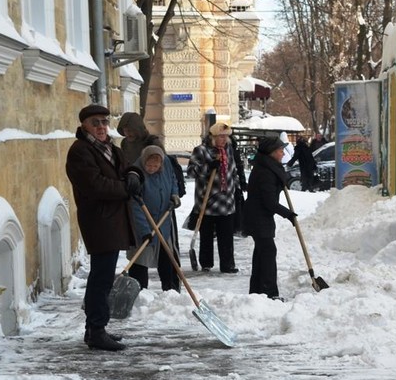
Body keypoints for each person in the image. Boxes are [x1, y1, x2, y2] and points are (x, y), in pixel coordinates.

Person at [65, 104, 140, 351]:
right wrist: (124, 188)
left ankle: (94, 329)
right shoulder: (80, 151)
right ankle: (96, 330)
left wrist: (133, 176)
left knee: (104, 277)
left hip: (114, 220)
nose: (101, 127)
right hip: (99, 221)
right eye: (95, 122)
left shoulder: (110, 147)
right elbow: (95, 185)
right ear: (84, 125)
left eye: (104, 122)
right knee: (101, 278)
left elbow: (128, 166)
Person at [244, 137, 297, 299]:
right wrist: (288, 214)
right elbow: (269, 202)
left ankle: (257, 291)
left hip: (259, 216)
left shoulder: (268, 166)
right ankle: (269, 293)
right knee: (267, 252)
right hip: (258, 216)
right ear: (272, 153)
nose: (283, 154)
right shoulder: (265, 172)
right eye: (280, 151)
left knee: (261, 253)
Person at [127, 145, 181, 292]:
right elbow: (135, 206)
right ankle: (137, 293)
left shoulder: (167, 165)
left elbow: (173, 180)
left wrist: (174, 195)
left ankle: (171, 291)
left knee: (167, 259)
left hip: (163, 222)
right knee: (140, 261)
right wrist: (144, 231)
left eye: (155, 166)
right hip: (143, 225)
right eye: (149, 165)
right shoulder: (136, 174)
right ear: (143, 162)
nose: (151, 168)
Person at [190, 122, 240, 273]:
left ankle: (227, 264)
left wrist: (237, 187)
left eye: (225, 136)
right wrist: (209, 166)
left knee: (226, 235)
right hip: (208, 200)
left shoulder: (228, 150)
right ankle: (206, 263)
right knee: (206, 235)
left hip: (227, 200)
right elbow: (192, 172)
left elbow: (233, 171)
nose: (223, 139)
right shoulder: (201, 150)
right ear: (212, 137)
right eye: (220, 136)